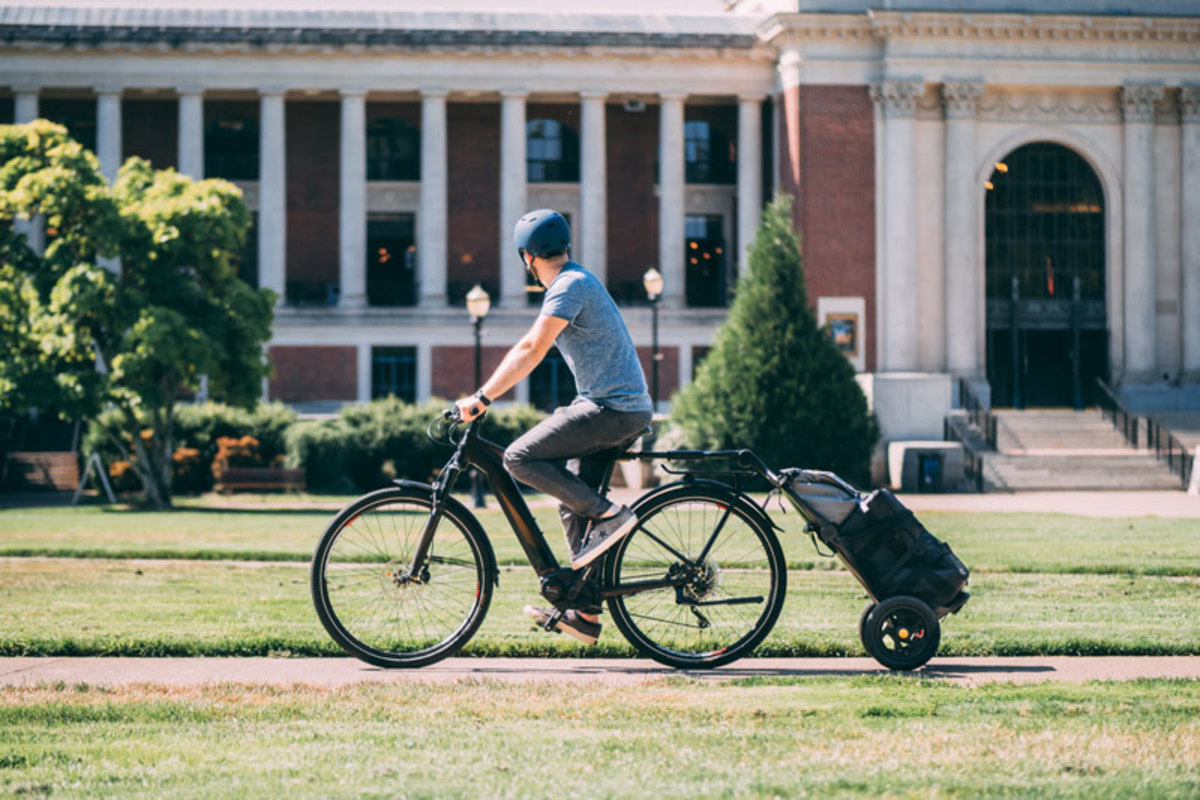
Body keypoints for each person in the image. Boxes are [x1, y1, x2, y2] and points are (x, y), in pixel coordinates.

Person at [454, 209, 653, 645]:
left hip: (612, 408)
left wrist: (482, 397)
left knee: (518, 456)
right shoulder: (576, 280)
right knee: (572, 503)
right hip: (614, 406)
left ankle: (612, 516)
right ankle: (584, 612)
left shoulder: (569, 286)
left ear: (526, 257)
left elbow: (532, 347)